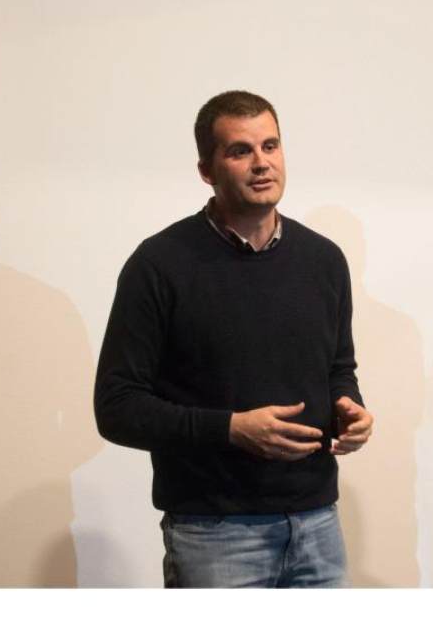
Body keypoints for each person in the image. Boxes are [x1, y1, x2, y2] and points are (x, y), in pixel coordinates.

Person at [94, 90, 373, 588]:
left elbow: (337, 367)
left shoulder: (324, 260)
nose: (261, 162)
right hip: (214, 532)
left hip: (317, 525)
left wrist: (348, 407)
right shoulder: (158, 265)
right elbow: (117, 408)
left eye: (271, 146)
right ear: (207, 170)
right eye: (240, 151)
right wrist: (231, 428)